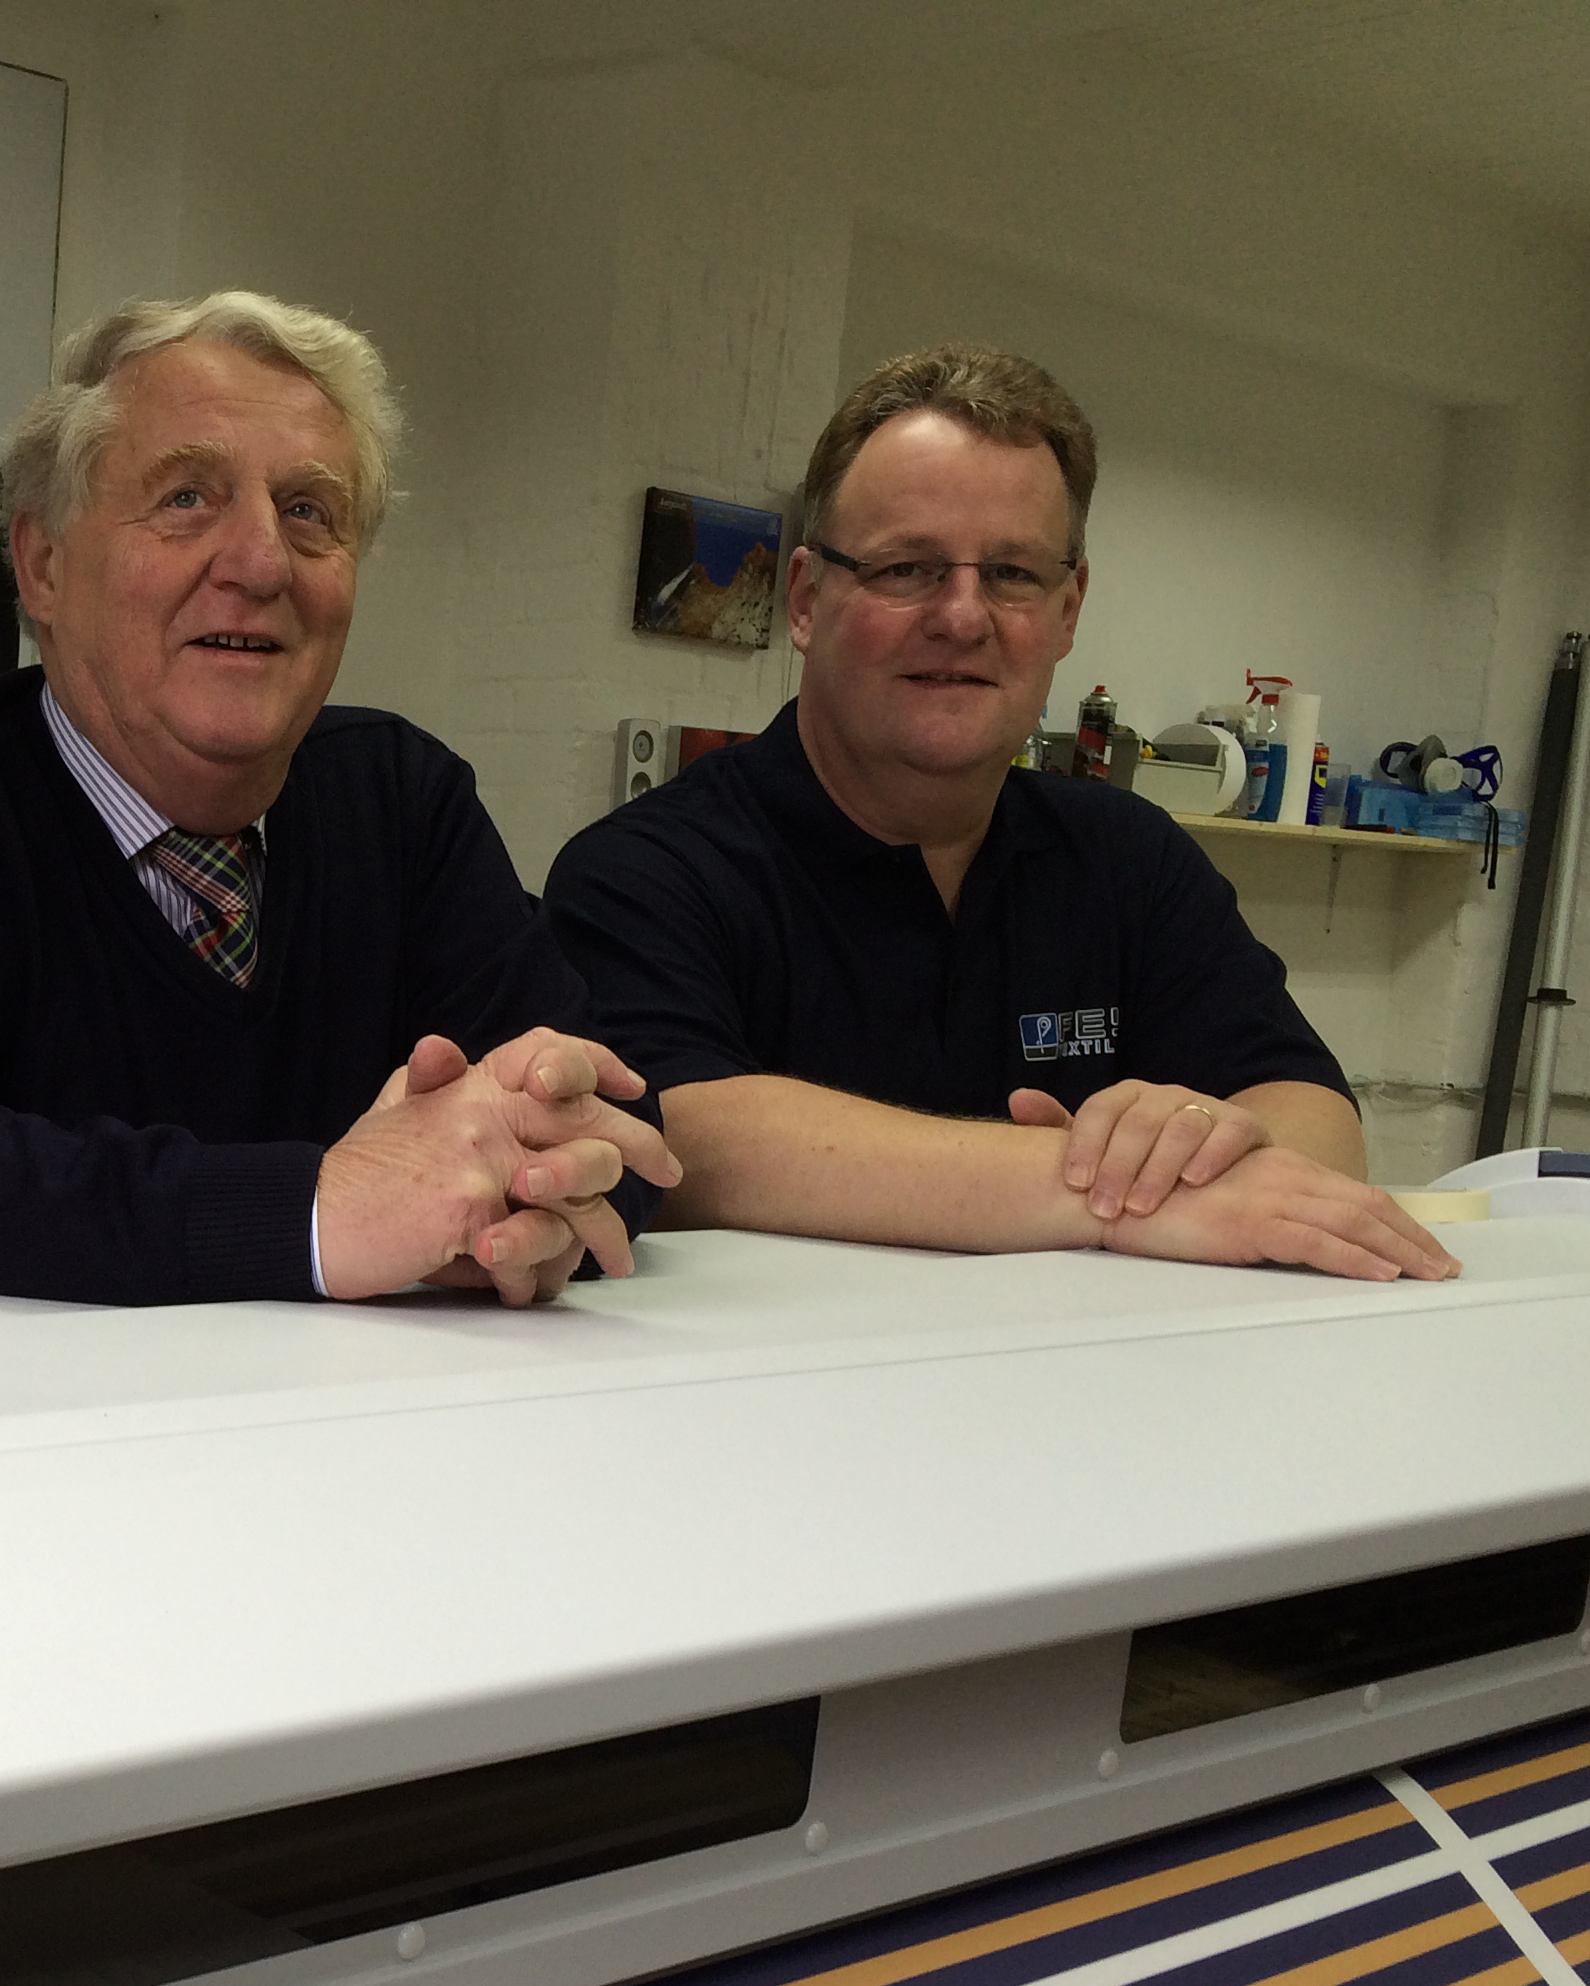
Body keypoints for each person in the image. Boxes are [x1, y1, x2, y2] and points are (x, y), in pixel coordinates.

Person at [0, 293, 679, 1306]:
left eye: (308, 512)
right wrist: (311, 1215)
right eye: (186, 498)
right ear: (42, 565)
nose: (261, 563)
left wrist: (533, 1192)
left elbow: (619, 1121)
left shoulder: (403, 805)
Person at [545, 344, 1455, 1285]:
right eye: (907, 567)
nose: (962, 616)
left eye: (1013, 574)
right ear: (807, 599)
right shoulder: (647, 870)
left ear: (1068, 609)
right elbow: (684, 1135)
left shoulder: (1129, 857)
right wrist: (1108, 1194)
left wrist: (1192, 1138)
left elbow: (1317, 1118)